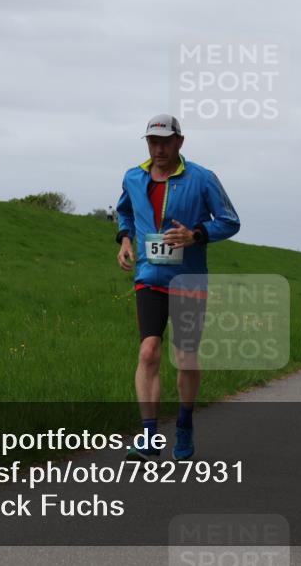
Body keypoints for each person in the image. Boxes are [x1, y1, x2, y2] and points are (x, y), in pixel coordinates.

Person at [116, 114, 240, 461]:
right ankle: (149, 437)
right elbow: (125, 212)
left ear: (179, 142)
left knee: (185, 357)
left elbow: (230, 221)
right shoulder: (133, 177)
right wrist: (125, 240)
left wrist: (195, 234)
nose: (159, 148)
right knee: (148, 351)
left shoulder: (202, 178)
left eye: (166, 142)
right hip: (149, 278)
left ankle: (184, 425)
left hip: (188, 281)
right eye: (152, 142)